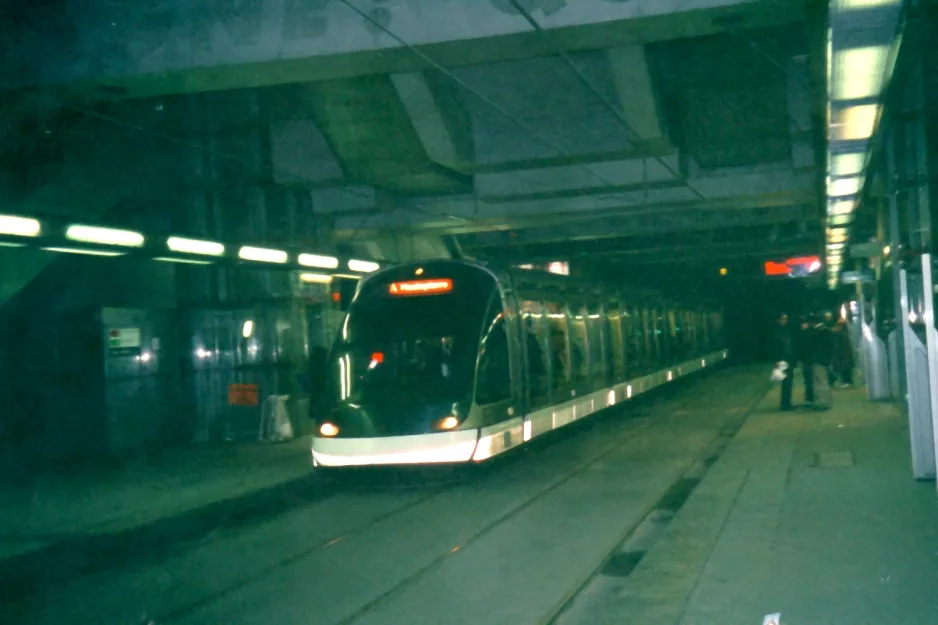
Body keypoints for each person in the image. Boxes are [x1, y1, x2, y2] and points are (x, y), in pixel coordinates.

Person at [774, 313, 796, 411]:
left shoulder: (785, 331)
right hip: (783, 359)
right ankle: (785, 403)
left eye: (786, 319)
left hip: (787, 358)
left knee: (788, 382)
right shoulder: (778, 332)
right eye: (783, 319)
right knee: (786, 381)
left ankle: (786, 402)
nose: (785, 321)